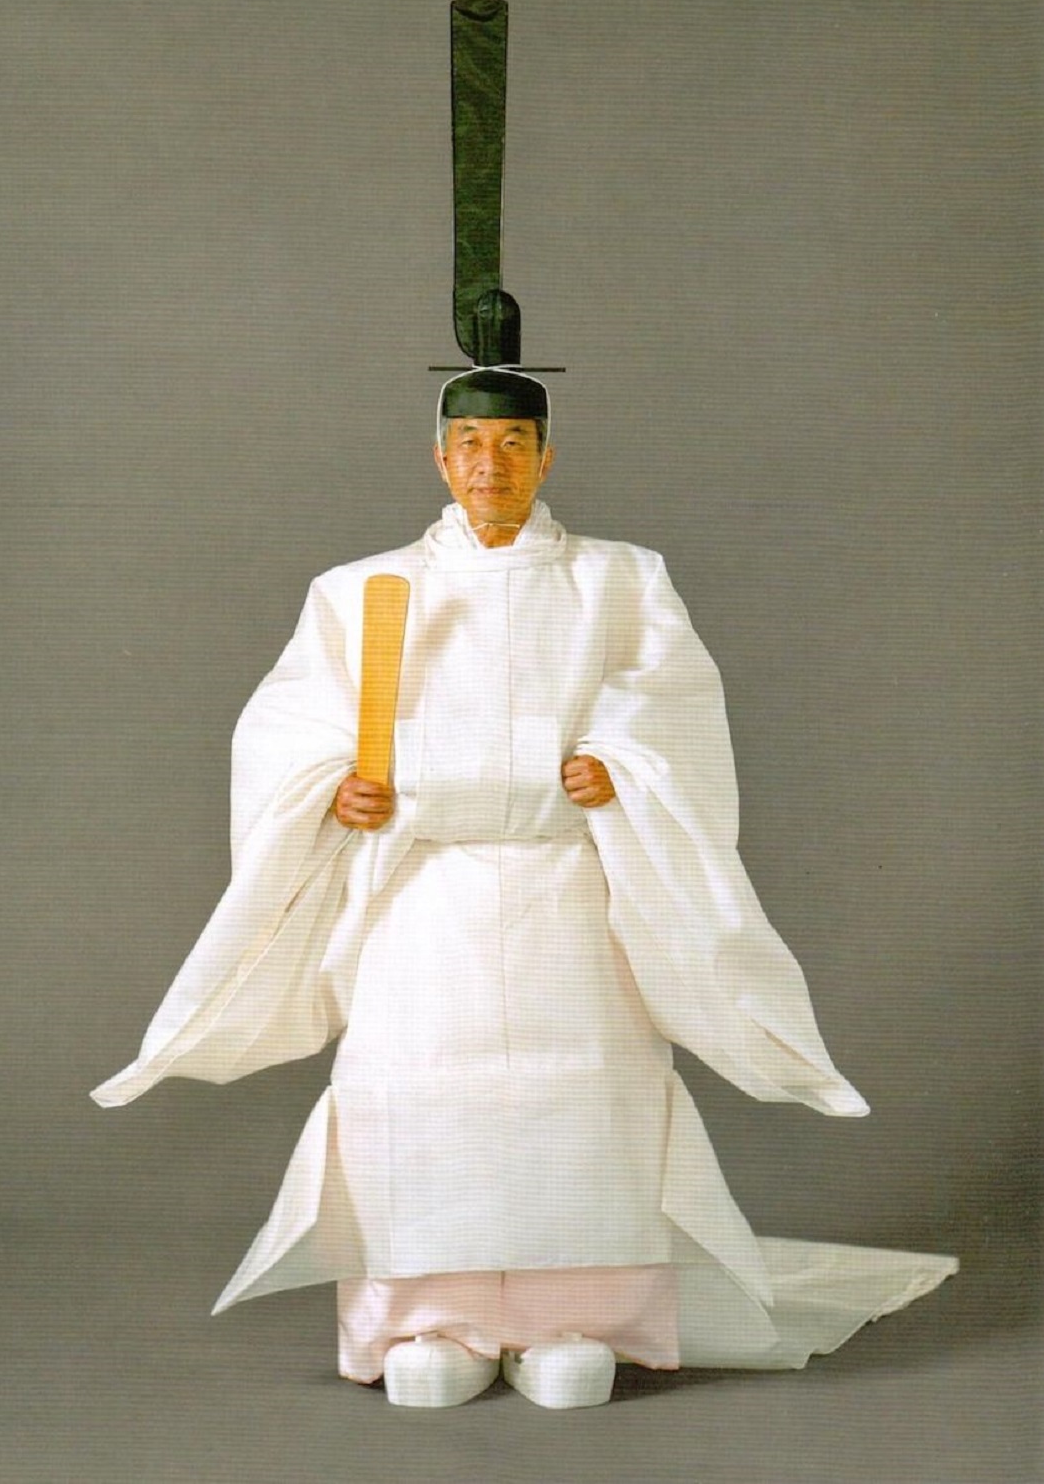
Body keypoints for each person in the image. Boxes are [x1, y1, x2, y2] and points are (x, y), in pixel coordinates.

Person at [92, 367, 956, 1409]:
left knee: (582, 1094)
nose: (488, 464)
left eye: (512, 443)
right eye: (468, 442)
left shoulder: (620, 579)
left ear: (547, 457)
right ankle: (426, 1321)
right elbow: (290, 724)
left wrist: (619, 764)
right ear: (438, 457)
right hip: (422, 885)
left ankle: (574, 1320)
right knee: (418, 1093)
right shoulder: (360, 590)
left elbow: (672, 704)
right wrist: (332, 786)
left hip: (567, 881)